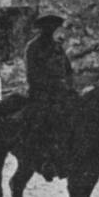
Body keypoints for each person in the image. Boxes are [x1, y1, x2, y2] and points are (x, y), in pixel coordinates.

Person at [24, 12, 77, 179]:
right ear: (42, 29)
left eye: (54, 27)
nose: (51, 30)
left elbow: (68, 70)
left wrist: (69, 87)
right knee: (45, 119)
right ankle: (45, 160)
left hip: (60, 93)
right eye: (49, 28)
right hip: (40, 94)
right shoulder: (33, 47)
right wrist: (51, 86)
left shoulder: (57, 47)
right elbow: (32, 75)